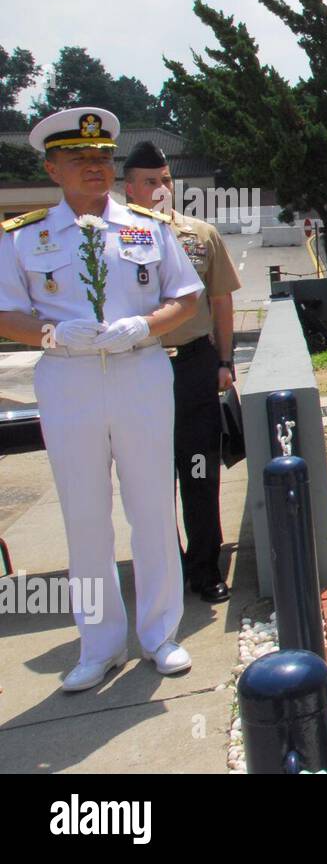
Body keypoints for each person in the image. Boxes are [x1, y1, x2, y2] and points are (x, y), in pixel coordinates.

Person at [0, 107, 204, 691]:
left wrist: (144, 327)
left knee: (150, 508)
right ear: (52, 166)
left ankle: (161, 633)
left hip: (139, 370)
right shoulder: (25, 235)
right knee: (84, 515)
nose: (94, 168)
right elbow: (5, 312)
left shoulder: (147, 225)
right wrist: (49, 334)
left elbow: (185, 296)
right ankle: (99, 643)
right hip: (69, 377)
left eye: (102, 158)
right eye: (79, 159)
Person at [122, 141, 241, 603]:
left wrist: (226, 361)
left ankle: (204, 566)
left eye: (166, 180)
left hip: (192, 366)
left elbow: (221, 300)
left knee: (199, 470)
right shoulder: (110, 239)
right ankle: (162, 569)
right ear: (128, 187)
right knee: (148, 479)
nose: (160, 189)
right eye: (150, 181)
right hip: (137, 366)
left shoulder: (198, 234)